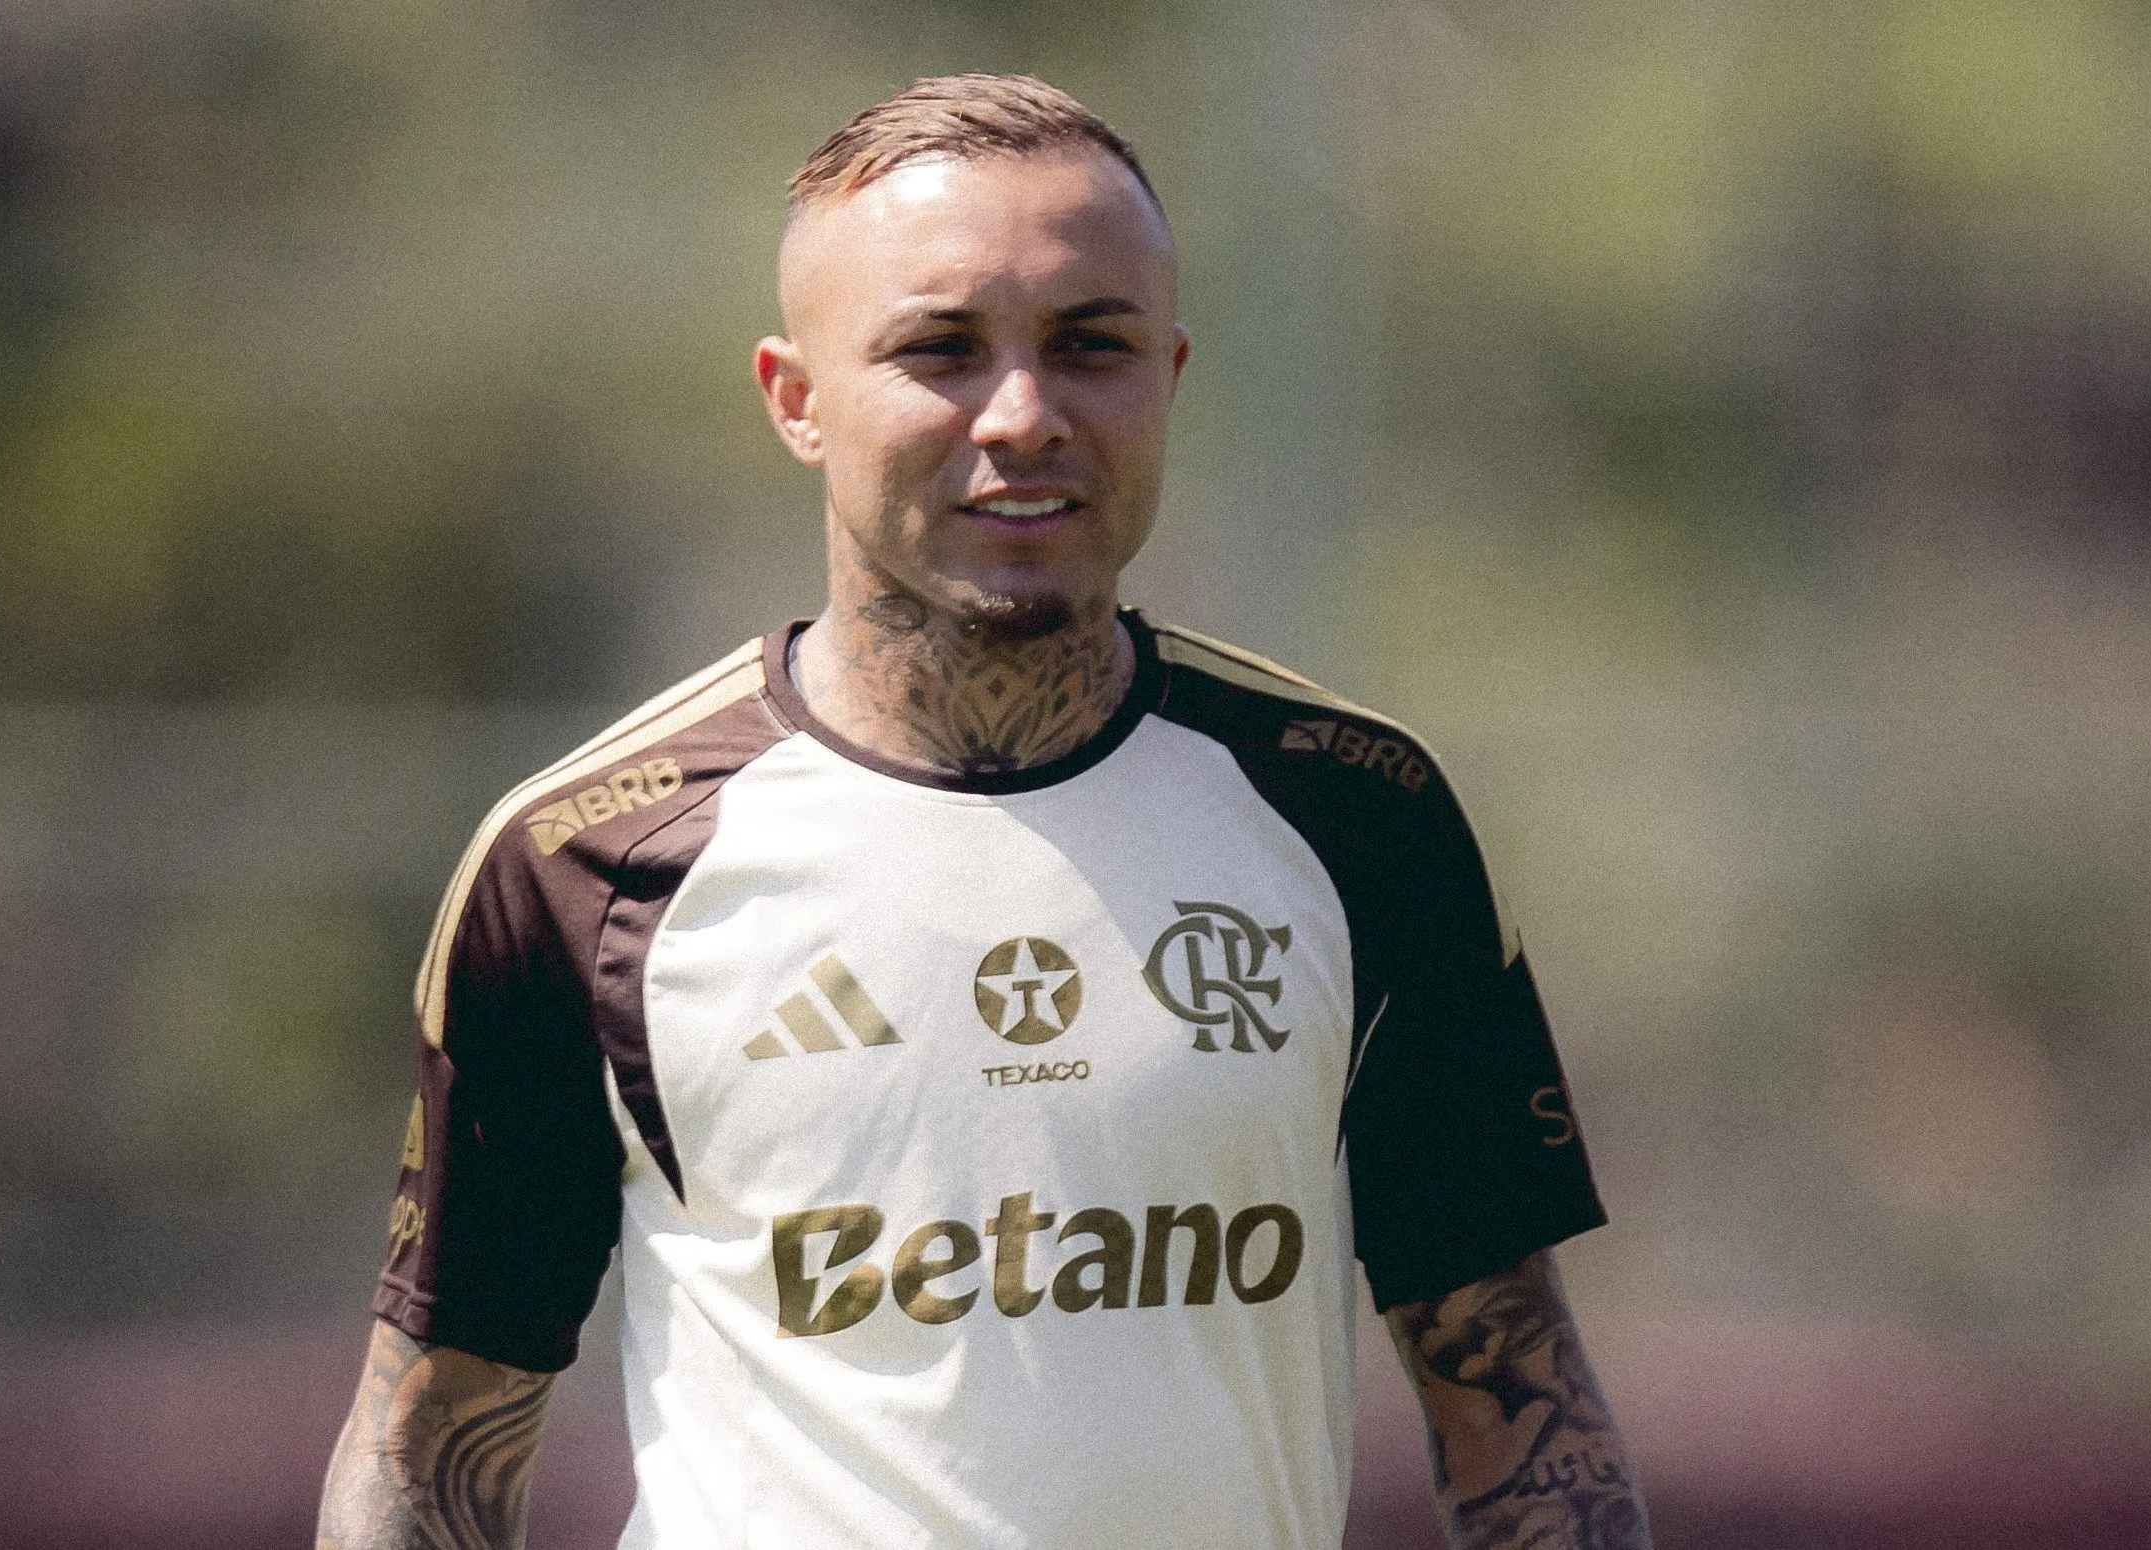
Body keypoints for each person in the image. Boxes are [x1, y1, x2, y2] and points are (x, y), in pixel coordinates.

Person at [317, 73, 1651, 1550]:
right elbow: (430, 1447)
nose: (1021, 415)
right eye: (937, 349)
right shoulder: (586, 861)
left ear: (1171, 375)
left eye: (1090, 345)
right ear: (796, 399)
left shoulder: (1357, 815)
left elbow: (1518, 1405)